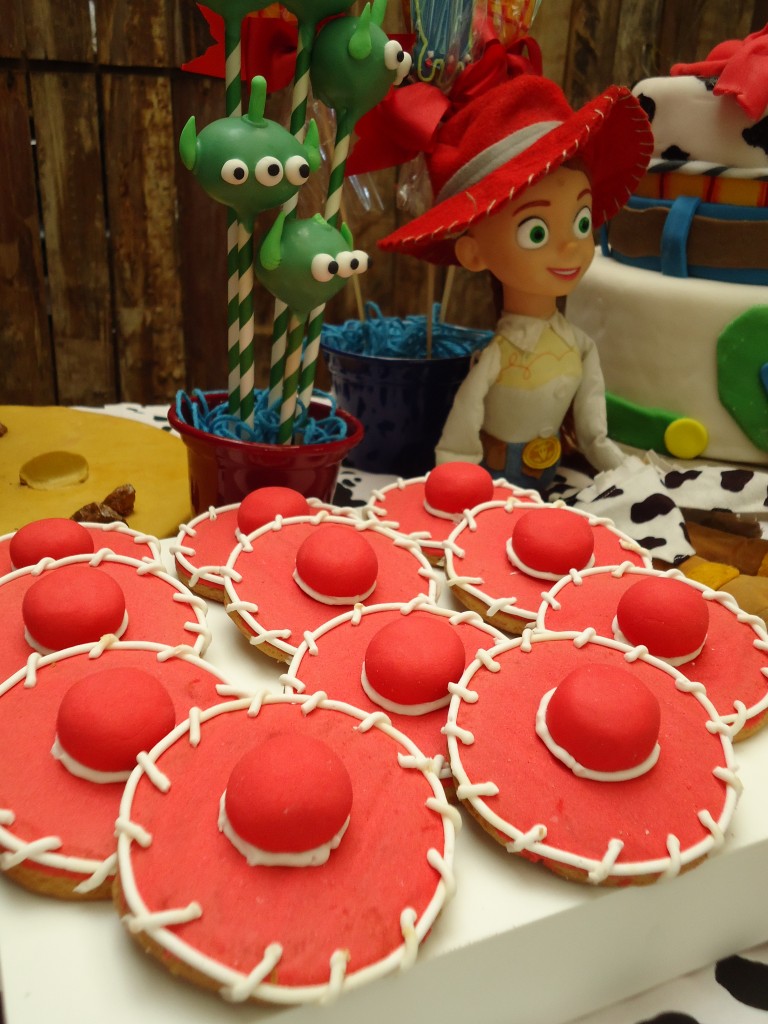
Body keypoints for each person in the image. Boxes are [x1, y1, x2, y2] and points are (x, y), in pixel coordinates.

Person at [379, 73, 653, 492]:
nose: (570, 246)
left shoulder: (580, 347)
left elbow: (593, 431)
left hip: (553, 481)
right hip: (494, 485)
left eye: (582, 222)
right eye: (536, 232)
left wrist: (622, 472)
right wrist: (455, 476)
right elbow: (462, 428)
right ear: (473, 254)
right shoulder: (496, 357)